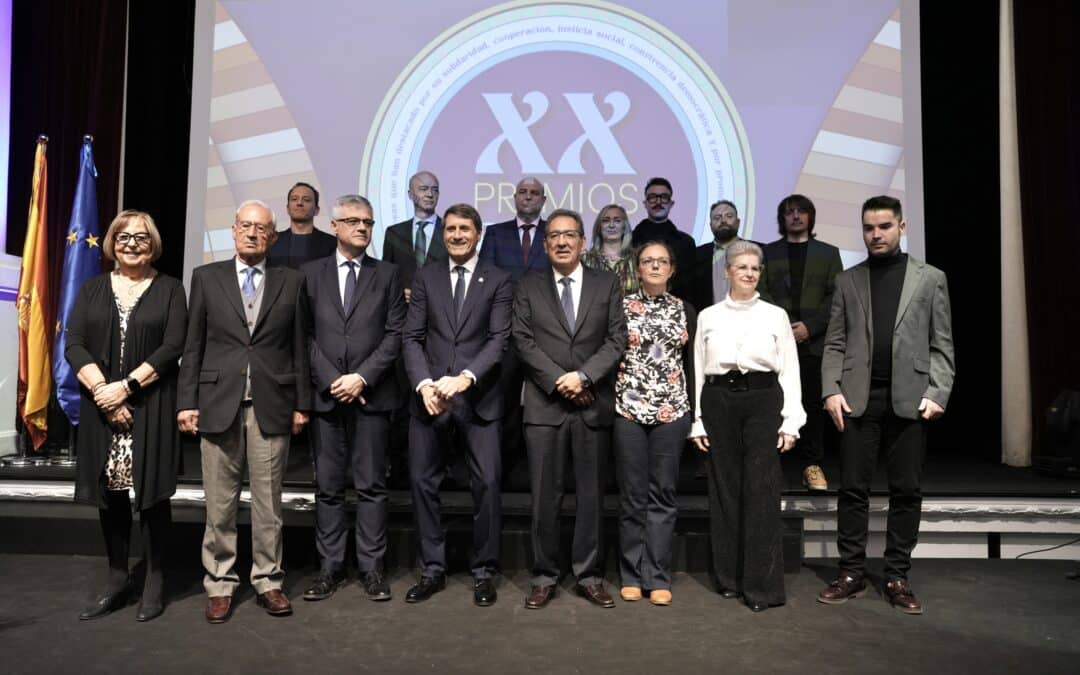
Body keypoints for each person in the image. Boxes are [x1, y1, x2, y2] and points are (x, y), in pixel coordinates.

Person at [817, 196, 954, 615]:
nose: (875, 235)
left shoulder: (930, 279)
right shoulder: (848, 280)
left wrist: (937, 392)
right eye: (869, 228)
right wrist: (830, 389)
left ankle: (897, 576)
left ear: (901, 226)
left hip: (911, 400)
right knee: (853, 490)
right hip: (858, 398)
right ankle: (851, 573)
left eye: (883, 227)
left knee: (906, 491)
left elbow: (942, 344)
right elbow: (835, 341)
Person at [177, 199, 312, 623]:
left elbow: (299, 348)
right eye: (246, 226)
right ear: (233, 230)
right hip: (218, 404)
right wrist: (186, 401)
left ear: (273, 236)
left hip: (272, 406)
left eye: (262, 228)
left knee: (269, 504)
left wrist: (302, 404)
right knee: (219, 504)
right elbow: (193, 345)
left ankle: (268, 581)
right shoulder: (206, 277)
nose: (253, 233)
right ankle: (219, 583)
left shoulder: (292, 281)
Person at [65, 210, 187, 622]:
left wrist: (126, 388)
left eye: (141, 237)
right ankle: (117, 576)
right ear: (112, 243)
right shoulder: (92, 288)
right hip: (103, 409)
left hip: (150, 406)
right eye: (123, 237)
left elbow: (172, 347)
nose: (132, 244)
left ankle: (154, 578)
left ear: (153, 243)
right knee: (110, 493)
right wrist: (105, 393)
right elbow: (74, 343)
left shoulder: (170, 289)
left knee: (152, 495)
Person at [512, 208, 628, 609]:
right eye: (554, 236)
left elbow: (616, 340)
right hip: (544, 407)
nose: (562, 241)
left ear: (582, 242)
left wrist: (583, 378)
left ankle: (589, 574)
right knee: (545, 497)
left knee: (591, 498)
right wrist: (562, 381)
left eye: (570, 235)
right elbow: (523, 341)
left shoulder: (606, 283)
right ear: (544, 245)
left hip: (592, 403)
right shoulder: (527, 284)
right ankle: (544, 575)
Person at [402, 203, 513, 606]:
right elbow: (411, 337)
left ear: (478, 233)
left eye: (465, 228)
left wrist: (465, 378)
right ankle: (432, 569)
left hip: (478, 399)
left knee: (486, 484)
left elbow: (499, 339)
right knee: (422, 483)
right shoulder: (426, 276)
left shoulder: (499, 279)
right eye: (450, 229)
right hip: (430, 399)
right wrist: (425, 384)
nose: (456, 235)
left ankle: (484, 571)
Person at [689, 240, 805, 612]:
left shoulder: (775, 315)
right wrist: (697, 422)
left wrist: (791, 421)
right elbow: (696, 370)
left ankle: (761, 587)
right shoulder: (708, 315)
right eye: (742, 267)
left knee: (761, 490)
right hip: (719, 401)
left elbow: (789, 369)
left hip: (762, 400)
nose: (749, 274)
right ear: (727, 272)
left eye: (755, 268)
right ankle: (728, 579)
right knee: (724, 490)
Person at [300, 195, 406, 602]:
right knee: (327, 488)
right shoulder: (310, 274)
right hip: (327, 398)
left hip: (372, 396)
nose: (362, 228)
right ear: (335, 225)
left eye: (368, 222)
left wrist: (361, 377)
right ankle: (329, 568)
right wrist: (333, 380)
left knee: (371, 487)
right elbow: (304, 335)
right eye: (353, 221)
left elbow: (395, 333)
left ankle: (371, 568)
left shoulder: (389, 274)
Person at [613, 241, 695, 606]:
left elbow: (692, 364)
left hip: (671, 412)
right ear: (638, 267)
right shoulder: (620, 306)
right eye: (648, 261)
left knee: (663, 494)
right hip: (628, 410)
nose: (655, 266)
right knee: (632, 496)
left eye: (662, 261)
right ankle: (630, 574)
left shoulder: (686, 310)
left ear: (672, 268)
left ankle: (657, 576)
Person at [758, 195, 843, 491]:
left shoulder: (828, 253)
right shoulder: (767, 252)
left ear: (810, 217)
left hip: (814, 342)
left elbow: (836, 296)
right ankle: (770, 467)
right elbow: (760, 290)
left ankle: (812, 465)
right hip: (774, 341)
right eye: (789, 212)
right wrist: (783, 327)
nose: (795, 216)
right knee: (772, 404)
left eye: (801, 211)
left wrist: (810, 327)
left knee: (812, 405)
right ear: (782, 219)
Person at [383, 171, 448, 300]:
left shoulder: (449, 231)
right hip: (404, 311)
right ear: (410, 194)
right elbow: (386, 273)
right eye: (423, 189)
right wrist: (398, 291)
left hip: (441, 309)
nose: (430, 194)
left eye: (435, 190)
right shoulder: (394, 232)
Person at [630, 177, 695, 301]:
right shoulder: (630, 240)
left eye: (664, 197)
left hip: (676, 310)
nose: (658, 202)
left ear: (671, 203)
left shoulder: (686, 243)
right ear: (645, 203)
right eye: (653, 197)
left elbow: (691, 287)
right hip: (635, 308)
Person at [478, 177, 550, 280]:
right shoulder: (495, 232)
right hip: (504, 295)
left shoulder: (553, 232)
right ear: (515, 197)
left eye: (534, 193)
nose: (528, 197)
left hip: (543, 295)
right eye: (522, 192)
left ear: (543, 200)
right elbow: (485, 273)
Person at [691, 200, 745, 312]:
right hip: (708, 323)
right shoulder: (695, 256)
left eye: (729, 216)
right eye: (717, 217)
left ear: (738, 222)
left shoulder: (758, 251)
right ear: (710, 225)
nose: (723, 220)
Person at [268, 182, 337, 268]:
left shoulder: (333, 244)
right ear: (287, 209)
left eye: (306, 200)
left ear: (317, 210)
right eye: (294, 199)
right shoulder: (272, 242)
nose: (299, 203)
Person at [581, 204, 638, 296]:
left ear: (624, 227)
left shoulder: (637, 260)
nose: (611, 225)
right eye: (606, 221)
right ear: (599, 228)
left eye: (617, 221)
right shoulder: (584, 260)